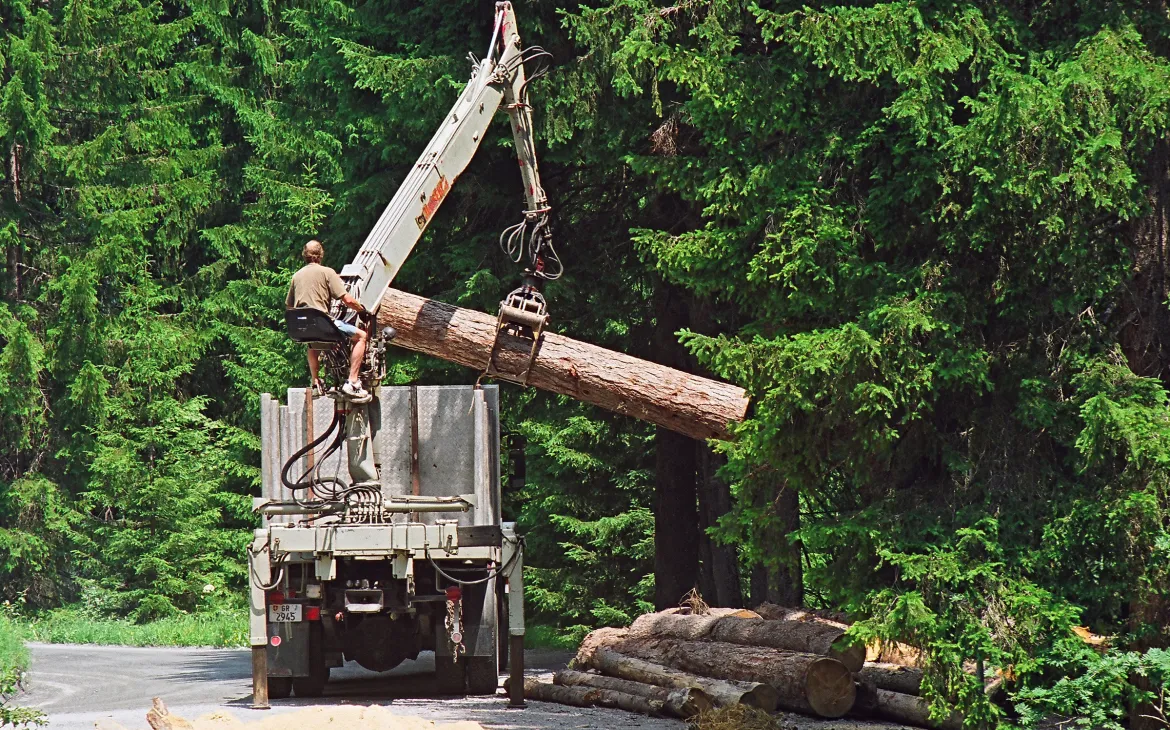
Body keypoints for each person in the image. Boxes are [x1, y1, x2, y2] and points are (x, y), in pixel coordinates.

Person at [286, 239, 370, 400]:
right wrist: (361, 309)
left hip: (300, 328)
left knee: (311, 341)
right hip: (323, 324)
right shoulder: (327, 272)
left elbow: (289, 307)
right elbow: (347, 300)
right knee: (361, 337)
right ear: (320, 255)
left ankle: (315, 381)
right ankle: (352, 382)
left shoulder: (296, 276)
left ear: (305, 256)